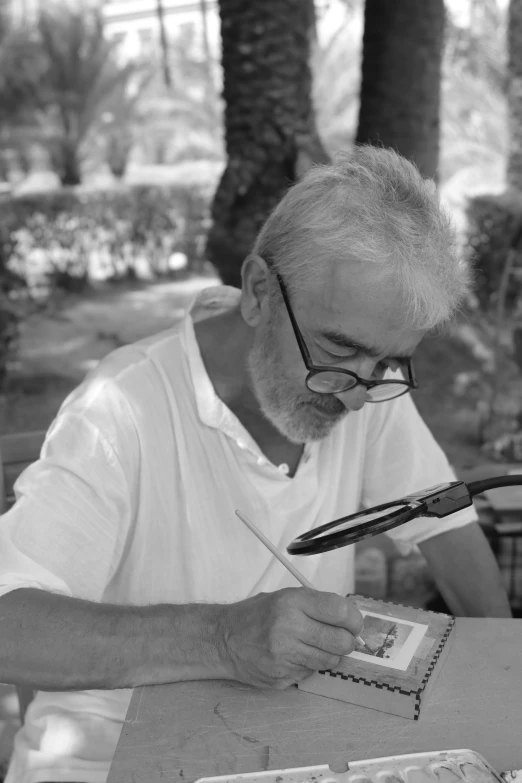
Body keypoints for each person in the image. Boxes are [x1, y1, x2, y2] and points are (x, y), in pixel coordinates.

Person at [0, 146, 511, 783]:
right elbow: (10, 624)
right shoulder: (120, 408)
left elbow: (445, 524)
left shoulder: (363, 383)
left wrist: (510, 689)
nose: (355, 392)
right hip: (113, 763)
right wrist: (221, 639)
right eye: (339, 348)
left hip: (279, 750)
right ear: (259, 291)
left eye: (384, 363)